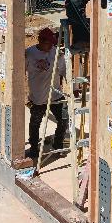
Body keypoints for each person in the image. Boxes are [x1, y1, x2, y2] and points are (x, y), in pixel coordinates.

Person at [25, 27, 67, 159]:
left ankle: (58, 146)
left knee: (64, 119)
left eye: (52, 44)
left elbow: (64, 70)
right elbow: (20, 72)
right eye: (48, 44)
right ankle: (33, 148)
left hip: (55, 95)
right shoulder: (30, 53)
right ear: (40, 41)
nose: (50, 47)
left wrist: (74, 87)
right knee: (35, 123)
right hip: (38, 97)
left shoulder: (56, 53)